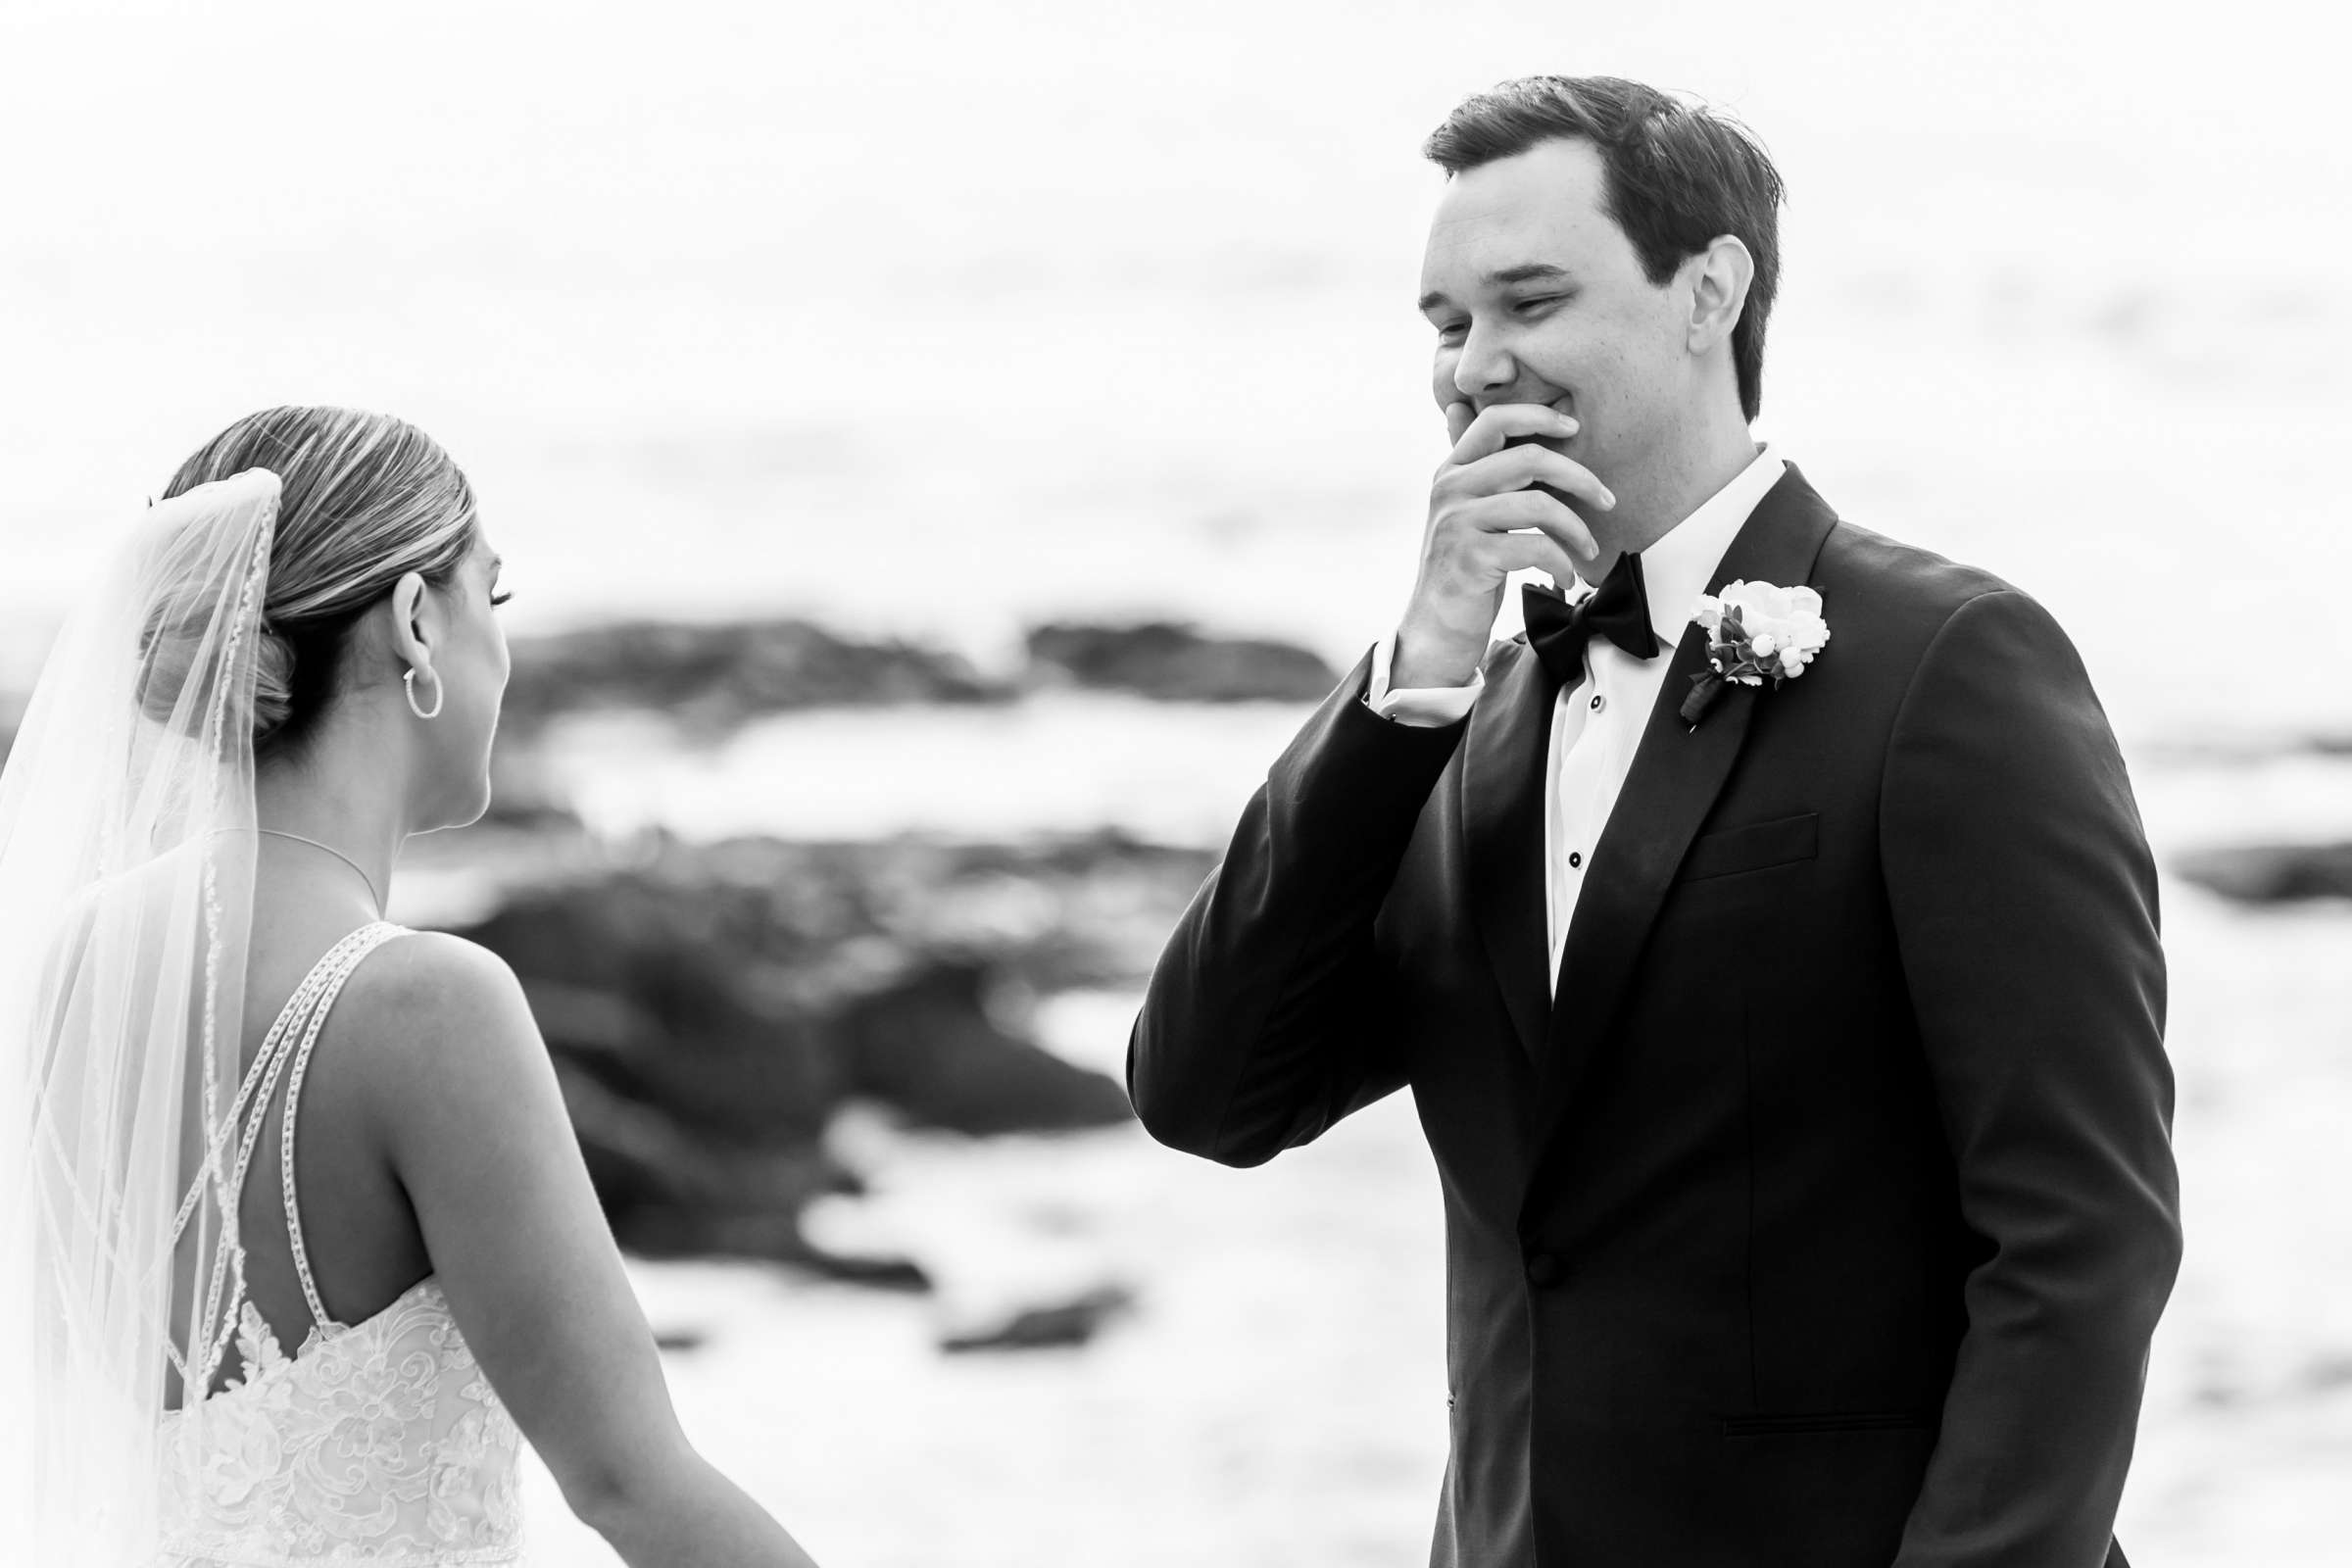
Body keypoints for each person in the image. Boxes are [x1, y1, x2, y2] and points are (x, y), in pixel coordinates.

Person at [1129, 75, 2182, 1567]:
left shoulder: (1949, 666)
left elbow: (2083, 1240)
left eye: (1531, 301)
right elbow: (1208, 1091)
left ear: (1712, 291)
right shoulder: (1456, 726)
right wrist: (1413, 680)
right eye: (1444, 324)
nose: (1474, 365)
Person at [0, 407, 820, 1567]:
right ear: (417, 623)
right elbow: (635, 1484)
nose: (503, 646)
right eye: (495, 596)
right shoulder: (426, 1010)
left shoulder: (72, 975)